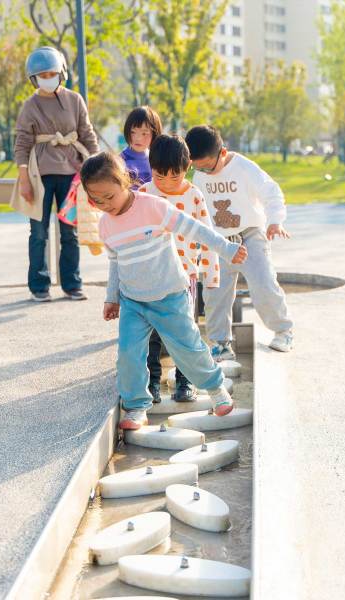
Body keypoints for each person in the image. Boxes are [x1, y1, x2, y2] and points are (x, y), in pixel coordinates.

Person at [80, 152, 247, 430]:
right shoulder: (105, 225)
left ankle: (217, 391)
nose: (104, 204)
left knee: (188, 348)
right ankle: (136, 407)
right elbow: (115, 263)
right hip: (133, 301)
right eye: (96, 200)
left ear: (125, 182)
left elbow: (196, 229)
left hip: (170, 295)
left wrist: (227, 249)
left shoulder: (153, 207)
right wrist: (112, 297)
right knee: (129, 354)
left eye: (109, 196)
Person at [185, 125, 293, 357]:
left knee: (264, 284)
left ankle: (283, 331)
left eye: (207, 166)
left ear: (222, 153)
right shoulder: (200, 171)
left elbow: (271, 192)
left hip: (249, 235)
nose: (204, 171)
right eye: (197, 167)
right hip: (218, 241)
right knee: (215, 293)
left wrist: (275, 221)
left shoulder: (244, 168)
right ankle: (220, 342)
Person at [138, 134, 220, 403]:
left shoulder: (194, 196)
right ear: (151, 169)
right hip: (151, 277)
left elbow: (207, 235)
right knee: (151, 334)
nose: (167, 183)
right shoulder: (144, 194)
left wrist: (211, 274)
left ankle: (185, 382)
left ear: (188, 169)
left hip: (185, 277)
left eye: (175, 177)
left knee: (186, 333)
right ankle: (151, 382)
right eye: (160, 176)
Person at [14, 46, 99, 302]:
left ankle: (72, 283)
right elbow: (22, 143)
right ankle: (39, 285)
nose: (47, 77)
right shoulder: (30, 105)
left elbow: (87, 133)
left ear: (61, 73)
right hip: (39, 173)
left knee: (70, 232)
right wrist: (24, 180)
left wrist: (94, 163)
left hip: (72, 173)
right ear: (33, 77)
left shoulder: (75, 100)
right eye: (42, 74)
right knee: (38, 233)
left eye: (52, 73)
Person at [120, 106, 163, 188]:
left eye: (144, 133)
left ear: (154, 134)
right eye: (133, 132)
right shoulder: (121, 160)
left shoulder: (155, 159)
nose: (138, 138)